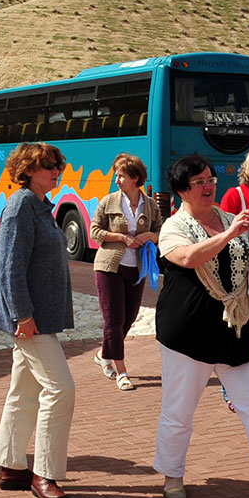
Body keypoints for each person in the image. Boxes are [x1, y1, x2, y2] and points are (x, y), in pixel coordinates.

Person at [153, 154, 249, 498]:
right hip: (186, 333)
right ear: (181, 191)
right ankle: (172, 477)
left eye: (210, 179)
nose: (208, 186)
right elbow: (188, 257)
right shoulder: (173, 227)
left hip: (234, 328)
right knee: (179, 410)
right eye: (199, 182)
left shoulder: (230, 220)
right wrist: (233, 232)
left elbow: (246, 268)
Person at [0, 142, 77, 498]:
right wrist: (21, 315)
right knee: (61, 390)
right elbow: (10, 267)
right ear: (27, 170)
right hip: (31, 320)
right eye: (46, 166)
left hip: (38, 318)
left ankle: (11, 466)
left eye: (56, 165)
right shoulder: (21, 206)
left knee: (24, 392)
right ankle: (45, 473)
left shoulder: (40, 206)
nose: (54, 171)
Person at [91, 153, 159, 390]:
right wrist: (119, 237)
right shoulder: (108, 201)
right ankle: (122, 372)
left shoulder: (150, 205)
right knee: (114, 318)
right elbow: (94, 230)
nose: (117, 180)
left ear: (135, 178)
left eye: (121, 176)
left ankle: (103, 354)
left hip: (137, 268)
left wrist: (149, 236)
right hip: (109, 266)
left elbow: (161, 232)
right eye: (116, 175)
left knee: (128, 319)